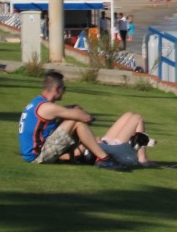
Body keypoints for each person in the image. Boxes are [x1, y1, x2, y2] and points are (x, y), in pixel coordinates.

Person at [17, 70, 149, 170]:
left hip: (35, 152)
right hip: (38, 156)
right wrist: (86, 116)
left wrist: (74, 109)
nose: (64, 92)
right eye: (64, 89)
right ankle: (105, 159)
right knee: (77, 121)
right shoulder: (48, 107)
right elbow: (85, 118)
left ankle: (100, 157)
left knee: (73, 119)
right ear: (57, 89)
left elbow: (64, 112)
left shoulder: (38, 103)